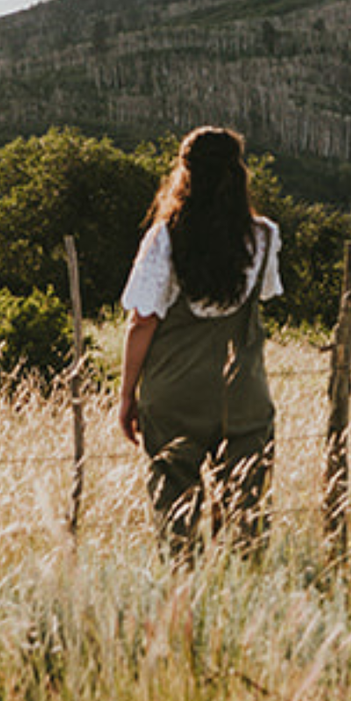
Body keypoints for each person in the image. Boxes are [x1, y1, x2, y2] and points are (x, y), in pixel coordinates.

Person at [118, 126, 284, 552]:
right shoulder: (263, 236)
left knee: (175, 511)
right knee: (247, 510)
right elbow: (263, 295)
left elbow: (142, 321)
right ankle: (245, 593)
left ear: (184, 173)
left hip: (175, 392)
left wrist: (126, 396)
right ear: (238, 173)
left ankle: (184, 595)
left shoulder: (165, 238)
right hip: (242, 391)